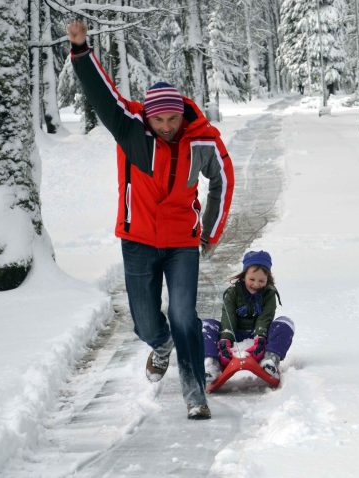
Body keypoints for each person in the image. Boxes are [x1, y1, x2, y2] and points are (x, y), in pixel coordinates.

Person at [66, 20, 234, 420]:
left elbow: (223, 180)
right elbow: (104, 98)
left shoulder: (201, 140)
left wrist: (209, 233)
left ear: (180, 114)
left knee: (183, 315)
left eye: (171, 120)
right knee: (145, 322)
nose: (166, 127)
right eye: (159, 121)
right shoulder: (132, 132)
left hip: (180, 243)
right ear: (149, 118)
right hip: (138, 240)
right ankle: (160, 346)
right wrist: (81, 51)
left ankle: (195, 393)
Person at [203, 251, 294, 382]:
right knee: (206, 325)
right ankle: (211, 364)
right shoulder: (232, 293)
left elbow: (265, 317)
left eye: (261, 280)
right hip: (233, 338)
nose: (256, 284)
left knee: (285, 323)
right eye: (252, 279)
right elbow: (229, 317)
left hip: (259, 341)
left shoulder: (269, 294)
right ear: (244, 275)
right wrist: (225, 340)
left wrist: (260, 338)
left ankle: (270, 359)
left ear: (268, 279)